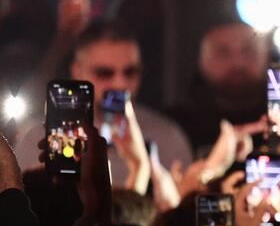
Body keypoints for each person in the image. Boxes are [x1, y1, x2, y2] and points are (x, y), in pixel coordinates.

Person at [12, 21, 193, 186]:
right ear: (78, 71)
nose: (120, 84)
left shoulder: (167, 137)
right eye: (104, 73)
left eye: (130, 72)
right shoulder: (37, 140)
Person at [167, 21, 268, 154]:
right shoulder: (171, 129)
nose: (237, 63)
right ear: (201, 60)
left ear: (265, 55)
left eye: (248, 51)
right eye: (223, 53)